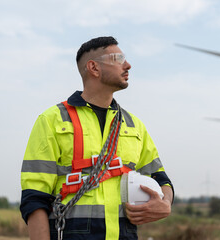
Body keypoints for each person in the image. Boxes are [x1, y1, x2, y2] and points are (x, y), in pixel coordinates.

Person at [20, 36, 174, 240]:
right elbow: (34, 197)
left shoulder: (134, 125)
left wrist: (166, 204)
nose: (128, 65)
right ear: (94, 68)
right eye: (118, 59)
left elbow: (160, 177)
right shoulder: (52, 120)